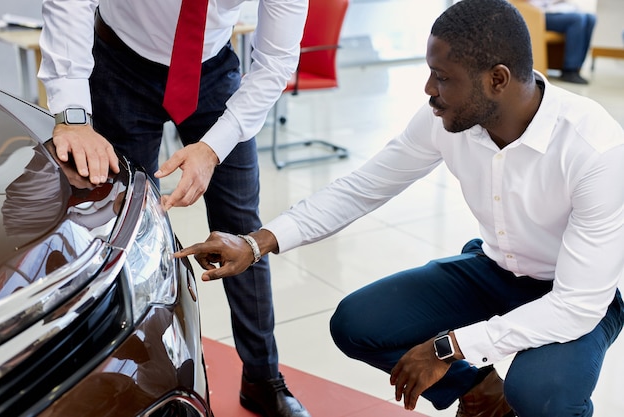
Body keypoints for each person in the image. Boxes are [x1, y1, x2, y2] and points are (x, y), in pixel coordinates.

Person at [174, 0, 624, 415]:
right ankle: (480, 391)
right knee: (356, 324)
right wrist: (255, 243)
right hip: (494, 268)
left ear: (498, 79)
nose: (428, 89)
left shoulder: (594, 149)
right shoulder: (445, 121)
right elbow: (361, 189)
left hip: (574, 296)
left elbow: (576, 305)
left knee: (541, 394)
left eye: (443, 77)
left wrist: (449, 347)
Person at [37, 0, 311, 416]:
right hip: (121, 60)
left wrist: (213, 149)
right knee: (124, 228)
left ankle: (262, 376)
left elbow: (275, 61)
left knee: (242, 229)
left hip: (213, 69)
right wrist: (73, 116)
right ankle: (136, 382)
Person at [527, 0, 596, 84]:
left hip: (556, 9)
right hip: (539, 12)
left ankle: (577, 67)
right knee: (577, 19)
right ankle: (570, 70)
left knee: (591, 18)